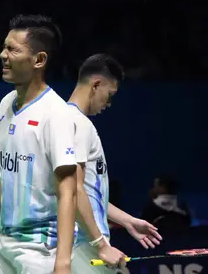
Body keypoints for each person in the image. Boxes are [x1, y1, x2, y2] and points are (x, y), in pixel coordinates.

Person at [0, 14, 77, 274]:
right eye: (4, 47)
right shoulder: (5, 105)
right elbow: (5, 176)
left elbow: (68, 191)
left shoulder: (55, 113)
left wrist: (63, 262)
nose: (3, 55)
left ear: (39, 60)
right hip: (5, 245)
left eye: (13, 49)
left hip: (41, 251)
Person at [68, 54, 163, 273]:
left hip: (87, 244)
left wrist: (128, 220)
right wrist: (100, 244)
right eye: (109, 95)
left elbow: (91, 193)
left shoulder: (71, 121)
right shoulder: (77, 124)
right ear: (96, 84)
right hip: (84, 247)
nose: (109, 104)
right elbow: (74, 189)